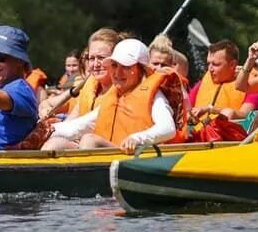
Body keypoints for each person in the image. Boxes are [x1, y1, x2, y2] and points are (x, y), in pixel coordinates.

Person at [44, 39, 184, 153]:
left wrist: (137, 138)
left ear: (141, 69)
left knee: (89, 141)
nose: (117, 73)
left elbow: (168, 128)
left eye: (126, 67)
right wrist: (47, 130)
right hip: (110, 155)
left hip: (133, 156)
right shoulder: (112, 97)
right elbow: (80, 125)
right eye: (115, 65)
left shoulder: (155, 96)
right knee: (54, 144)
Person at [41, 28, 118, 120]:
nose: (95, 64)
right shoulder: (87, 90)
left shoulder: (122, 92)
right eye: (92, 58)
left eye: (101, 58)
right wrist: (45, 112)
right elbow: (69, 124)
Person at [188, 39, 252, 136]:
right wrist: (191, 116)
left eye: (216, 64)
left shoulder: (249, 84)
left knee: (228, 112)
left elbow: (246, 116)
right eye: (208, 63)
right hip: (196, 135)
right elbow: (186, 109)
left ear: (232, 64)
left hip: (228, 137)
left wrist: (211, 109)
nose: (210, 69)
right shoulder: (203, 82)